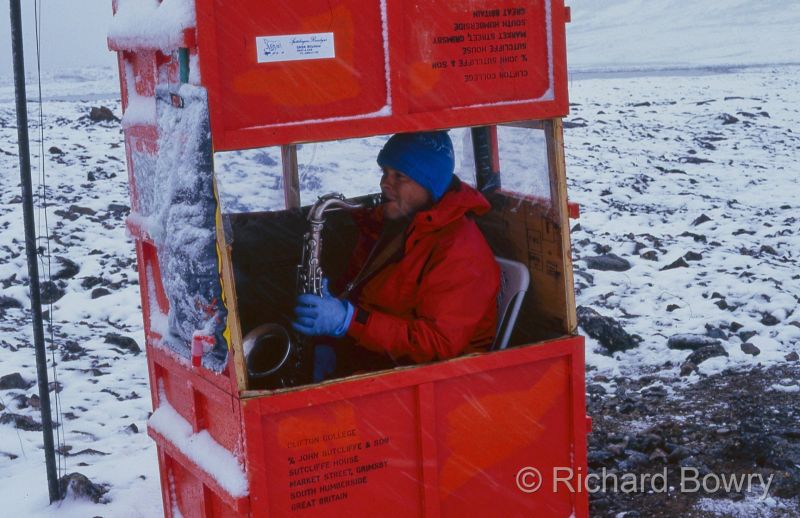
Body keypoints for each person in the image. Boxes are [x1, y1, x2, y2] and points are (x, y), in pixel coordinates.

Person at [292, 131, 500, 379]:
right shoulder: (393, 223)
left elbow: (438, 345)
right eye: (385, 172)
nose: (384, 183)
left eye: (399, 176)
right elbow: (362, 291)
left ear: (430, 184)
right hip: (377, 359)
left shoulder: (462, 251)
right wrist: (332, 326)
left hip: (431, 380)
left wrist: (347, 321)